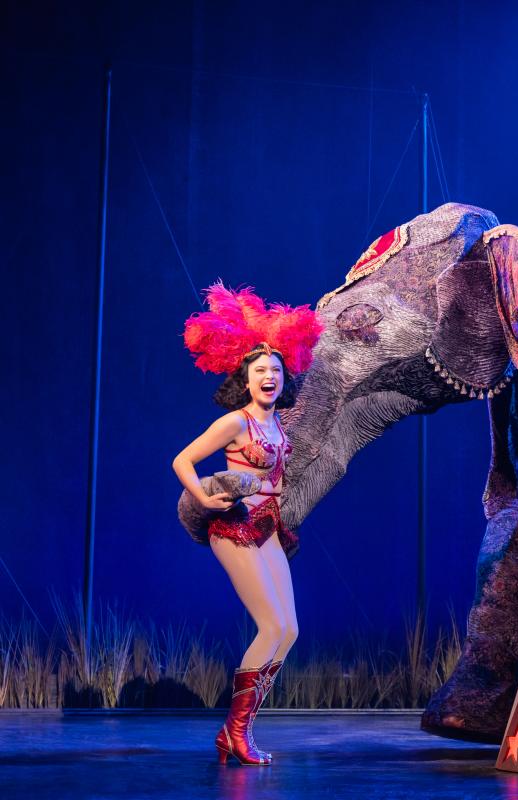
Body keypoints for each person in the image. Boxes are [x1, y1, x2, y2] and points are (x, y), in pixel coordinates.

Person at [172, 283, 321, 766]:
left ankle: (236, 732)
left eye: (276, 370)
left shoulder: (281, 424)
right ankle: (236, 732)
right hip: (235, 525)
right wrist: (205, 501)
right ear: (246, 379)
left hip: (269, 527)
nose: (269, 377)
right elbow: (182, 461)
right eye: (260, 371)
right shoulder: (235, 423)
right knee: (271, 623)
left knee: (291, 629)